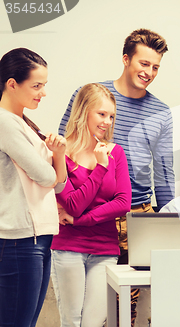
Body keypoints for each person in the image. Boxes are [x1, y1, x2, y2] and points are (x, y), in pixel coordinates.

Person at [58, 28, 171, 325]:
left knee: (134, 308)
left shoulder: (161, 111)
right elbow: (63, 148)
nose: (149, 72)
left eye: (155, 67)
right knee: (94, 312)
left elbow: (164, 174)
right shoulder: (93, 96)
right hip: (85, 209)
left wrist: (170, 220)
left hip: (137, 214)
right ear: (126, 59)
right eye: (144, 64)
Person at [51, 83, 132, 326]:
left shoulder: (116, 152)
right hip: (67, 248)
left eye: (111, 116)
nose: (107, 122)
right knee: (72, 322)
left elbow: (123, 203)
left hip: (105, 249)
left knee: (93, 323)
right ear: (84, 111)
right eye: (102, 114)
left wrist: (80, 220)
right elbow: (74, 204)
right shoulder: (60, 153)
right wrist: (100, 167)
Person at [0, 48, 67, 327]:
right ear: (12, 84)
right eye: (36, 86)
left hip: (38, 237)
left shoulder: (25, 124)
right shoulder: (4, 122)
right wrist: (53, 166)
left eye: (44, 85)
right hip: (18, 240)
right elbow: (45, 176)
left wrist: (59, 155)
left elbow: (60, 184)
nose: (43, 93)